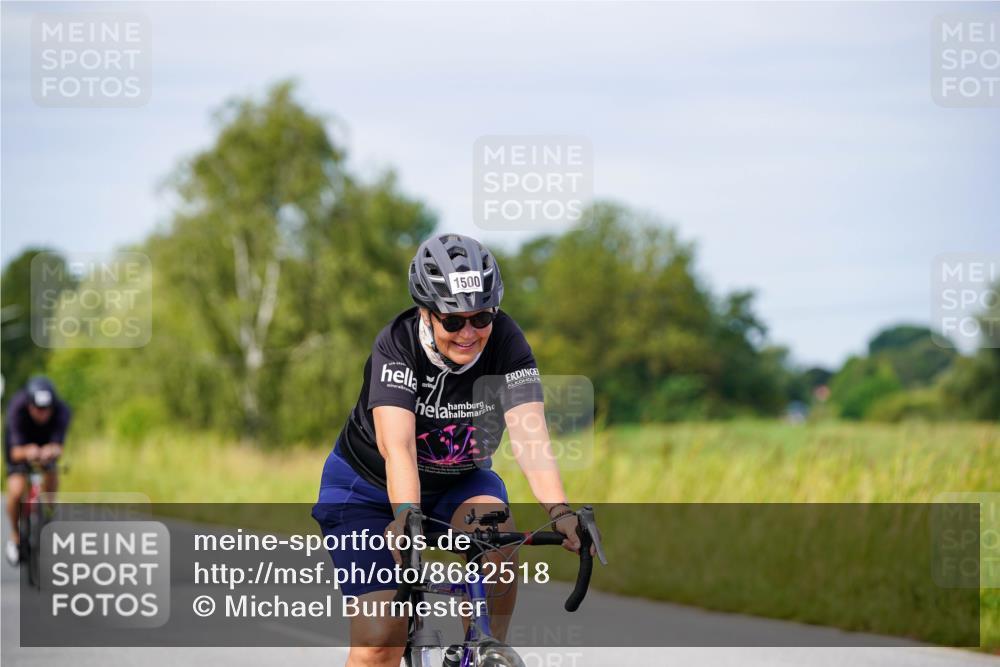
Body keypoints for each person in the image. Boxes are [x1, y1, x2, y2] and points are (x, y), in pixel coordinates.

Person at [313, 233, 582, 667]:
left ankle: (484, 648)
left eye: (482, 318)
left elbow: (530, 436)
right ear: (426, 312)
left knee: (497, 538)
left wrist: (560, 511)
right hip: (369, 490)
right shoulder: (396, 346)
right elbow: (396, 447)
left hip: (460, 477)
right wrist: (404, 514)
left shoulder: (507, 343)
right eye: (453, 321)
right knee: (381, 637)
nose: (469, 333)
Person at [4, 376, 71, 565]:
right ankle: (15, 536)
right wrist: (28, 451)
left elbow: (59, 446)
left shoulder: (62, 411)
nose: (42, 414)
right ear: (29, 405)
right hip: (20, 445)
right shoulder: (17, 409)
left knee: (52, 471)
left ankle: (48, 513)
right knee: (16, 491)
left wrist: (53, 449)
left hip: (45, 444)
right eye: (38, 409)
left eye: (46, 409)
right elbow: (15, 452)